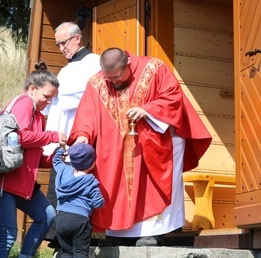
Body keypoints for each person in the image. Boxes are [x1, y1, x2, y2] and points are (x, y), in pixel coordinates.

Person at [68, 47, 212, 246]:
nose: (113, 82)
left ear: (127, 64)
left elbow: (173, 98)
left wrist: (147, 110)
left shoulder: (154, 68)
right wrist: (83, 135)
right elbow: (87, 113)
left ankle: (153, 233)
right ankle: (116, 234)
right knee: (113, 185)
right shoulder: (97, 82)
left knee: (151, 186)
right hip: (115, 148)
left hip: (153, 142)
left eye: (117, 77)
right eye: (109, 79)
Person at [0, 61, 67, 258]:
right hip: (3, 183)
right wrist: (53, 136)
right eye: (46, 97)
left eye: (52, 99)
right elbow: (21, 136)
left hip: (19, 183)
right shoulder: (24, 102)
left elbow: (32, 155)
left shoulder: (38, 114)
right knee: (6, 236)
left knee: (46, 215)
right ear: (32, 89)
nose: (49, 102)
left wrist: (58, 157)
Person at [42, 21, 102, 249]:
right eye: (57, 44)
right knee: (61, 177)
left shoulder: (94, 62)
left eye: (63, 42)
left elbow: (90, 93)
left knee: (75, 177)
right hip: (62, 129)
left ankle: (77, 234)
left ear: (77, 38)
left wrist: (57, 93)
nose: (60, 48)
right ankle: (57, 234)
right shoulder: (66, 68)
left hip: (80, 129)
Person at [53, 143, 104, 257]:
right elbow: (98, 203)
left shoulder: (63, 170)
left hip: (61, 219)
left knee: (67, 252)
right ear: (91, 164)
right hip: (80, 220)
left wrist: (61, 150)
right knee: (80, 253)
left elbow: (56, 160)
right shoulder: (90, 181)